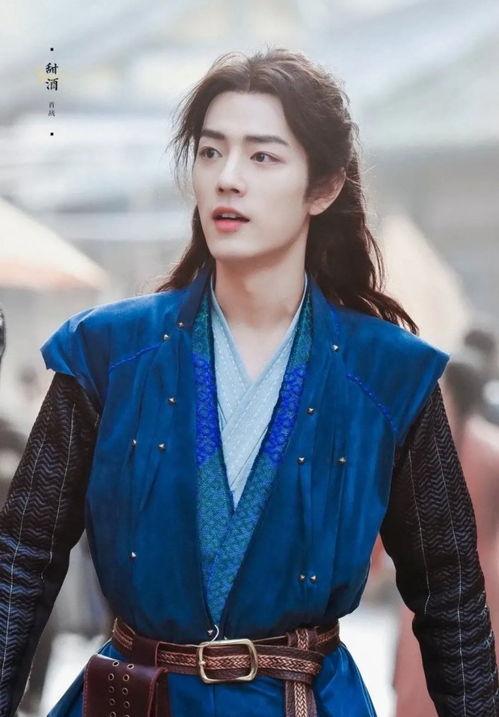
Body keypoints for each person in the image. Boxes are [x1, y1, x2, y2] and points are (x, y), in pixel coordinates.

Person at [0, 47, 497, 717]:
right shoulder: (106, 352)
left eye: (262, 156)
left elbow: (450, 593)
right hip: (138, 700)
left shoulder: (388, 373)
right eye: (211, 152)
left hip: (300, 700)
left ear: (322, 188)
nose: (227, 178)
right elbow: (22, 559)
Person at [393, 351, 499, 717]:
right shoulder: (489, 449)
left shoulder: (430, 446)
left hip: (436, 581)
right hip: (482, 585)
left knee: (421, 677)